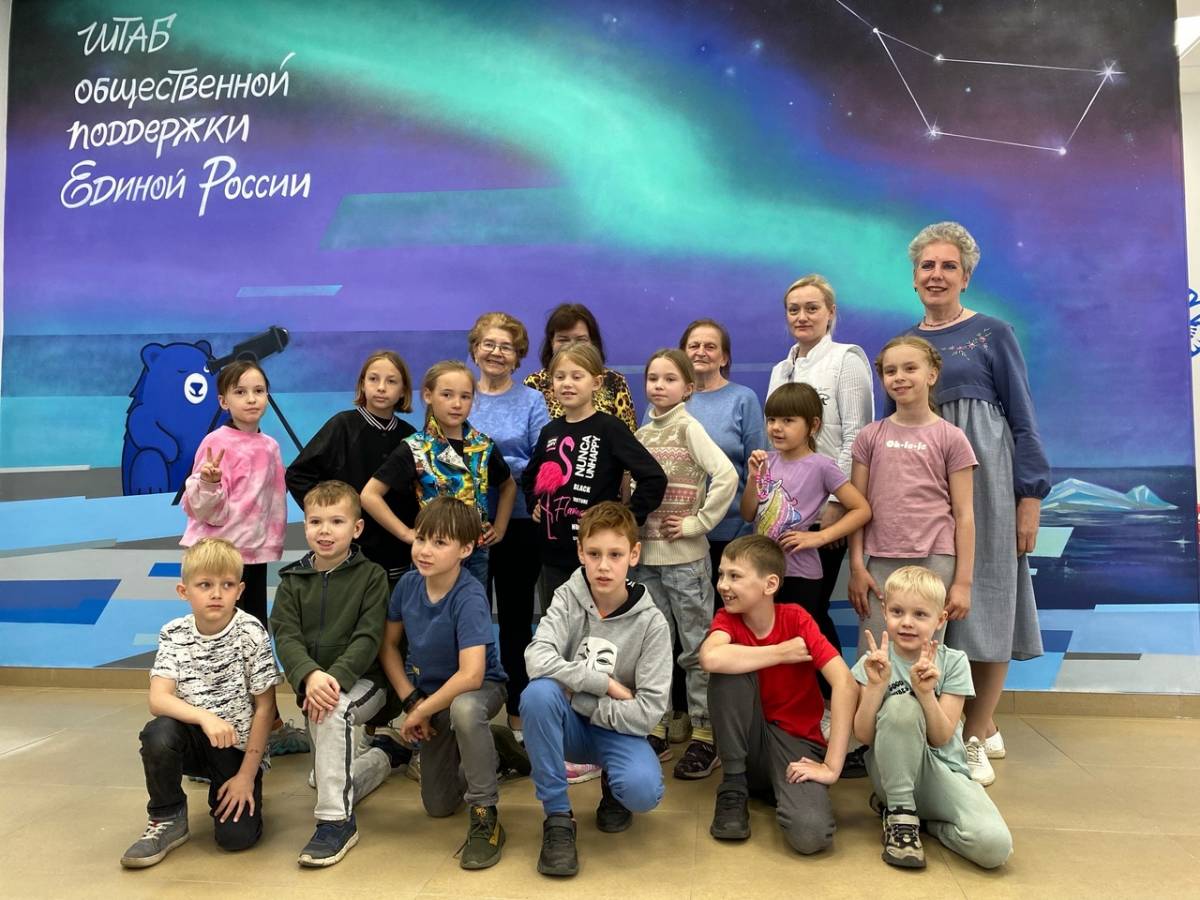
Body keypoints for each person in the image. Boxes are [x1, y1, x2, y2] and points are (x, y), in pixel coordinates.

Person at [892, 221, 1051, 785]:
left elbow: (1023, 417)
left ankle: (978, 730)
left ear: (966, 276)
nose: (936, 275)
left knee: (988, 592)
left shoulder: (992, 333)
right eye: (927, 266)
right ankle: (942, 722)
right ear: (914, 277)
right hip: (921, 482)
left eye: (948, 266)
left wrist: (1029, 498)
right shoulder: (904, 345)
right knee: (932, 594)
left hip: (986, 481)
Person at [521, 502, 672, 877]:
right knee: (538, 695)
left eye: (615, 555)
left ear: (634, 555)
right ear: (580, 553)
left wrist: (580, 698)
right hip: (570, 728)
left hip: (617, 729)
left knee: (643, 792)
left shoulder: (653, 623)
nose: (604, 566)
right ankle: (558, 817)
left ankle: (614, 786)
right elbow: (536, 658)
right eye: (594, 554)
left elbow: (648, 713)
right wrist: (603, 683)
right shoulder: (567, 597)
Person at [379, 496, 527, 870]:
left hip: (479, 690)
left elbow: (471, 675)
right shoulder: (407, 585)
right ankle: (494, 747)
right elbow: (388, 646)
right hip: (431, 697)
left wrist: (422, 711)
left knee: (465, 710)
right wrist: (412, 701)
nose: (425, 550)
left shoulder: (469, 594)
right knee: (439, 805)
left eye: (439, 542)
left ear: (465, 549)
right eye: (421, 538)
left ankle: (485, 813)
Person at [120, 538, 280, 868]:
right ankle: (167, 817)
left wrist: (246, 776)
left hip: (236, 748)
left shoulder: (251, 632)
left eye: (227, 585)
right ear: (184, 591)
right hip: (193, 740)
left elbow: (265, 708)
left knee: (237, 839)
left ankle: (232, 789)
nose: (216, 593)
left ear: (240, 590)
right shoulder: (174, 633)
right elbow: (158, 699)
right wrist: (206, 718)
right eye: (205, 585)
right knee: (158, 733)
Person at [699, 535, 858, 854]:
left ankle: (775, 787)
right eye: (721, 574)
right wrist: (780, 653)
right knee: (727, 669)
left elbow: (845, 684)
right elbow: (710, 658)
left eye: (735, 576)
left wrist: (832, 765)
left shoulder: (796, 619)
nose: (723, 585)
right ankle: (734, 784)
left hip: (795, 743)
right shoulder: (727, 620)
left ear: (770, 584)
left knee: (811, 835)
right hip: (748, 743)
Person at [269, 481, 398, 867]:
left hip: (366, 682)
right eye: (316, 522)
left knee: (333, 713)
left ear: (356, 529)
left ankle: (335, 822)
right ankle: (383, 757)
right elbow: (285, 636)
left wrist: (333, 679)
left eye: (336, 521)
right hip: (314, 684)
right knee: (326, 776)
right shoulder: (292, 581)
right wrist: (310, 676)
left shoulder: (372, 576)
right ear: (305, 526)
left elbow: (368, 637)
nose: (325, 531)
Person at [852, 566, 1012, 869]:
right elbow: (862, 735)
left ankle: (925, 823)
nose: (907, 622)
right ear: (884, 612)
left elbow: (940, 738)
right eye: (897, 611)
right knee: (901, 706)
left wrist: (926, 694)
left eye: (920, 614)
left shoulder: (954, 663)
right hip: (892, 776)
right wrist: (875, 687)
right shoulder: (872, 663)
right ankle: (901, 814)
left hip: (943, 772)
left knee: (995, 847)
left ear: (940, 619)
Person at [634, 349, 737, 777]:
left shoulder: (688, 427)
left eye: (670, 379)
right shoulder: (642, 433)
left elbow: (726, 474)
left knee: (696, 649)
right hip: (646, 560)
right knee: (654, 647)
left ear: (688, 389)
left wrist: (699, 522)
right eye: (653, 378)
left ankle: (706, 734)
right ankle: (656, 726)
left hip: (685, 562)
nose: (659, 385)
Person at [849, 336, 977, 660]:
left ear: (932, 374)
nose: (899, 377)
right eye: (890, 371)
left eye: (910, 368)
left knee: (923, 657)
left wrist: (962, 583)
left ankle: (925, 698)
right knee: (875, 656)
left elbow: (964, 515)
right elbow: (857, 508)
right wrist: (856, 567)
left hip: (936, 559)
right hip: (880, 563)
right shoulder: (869, 436)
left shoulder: (952, 438)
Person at [766, 275, 874, 636]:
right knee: (784, 611)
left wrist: (835, 502)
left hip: (826, 505)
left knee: (811, 611)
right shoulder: (781, 370)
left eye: (812, 308)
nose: (802, 316)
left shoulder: (846, 359)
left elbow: (856, 436)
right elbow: (776, 442)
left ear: (830, 313)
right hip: (785, 509)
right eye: (794, 309)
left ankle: (832, 674)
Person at [524, 342, 667, 607]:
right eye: (560, 377)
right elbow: (529, 476)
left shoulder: (610, 428)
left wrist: (626, 517)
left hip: (597, 557)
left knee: (600, 623)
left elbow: (654, 478)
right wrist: (534, 502)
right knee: (556, 622)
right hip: (553, 556)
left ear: (596, 382)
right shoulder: (549, 431)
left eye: (577, 376)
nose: (567, 383)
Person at [466, 312, 550, 737]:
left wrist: (500, 470)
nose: (497, 352)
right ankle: (470, 716)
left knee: (517, 622)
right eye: (489, 344)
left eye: (507, 347)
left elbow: (543, 460)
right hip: (466, 528)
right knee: (470, 622)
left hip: (518, 525)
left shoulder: (532, 401)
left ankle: (518, 714)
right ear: (475, 349)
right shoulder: (460, 393)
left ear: (518, 356)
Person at [361, 360, 516, 588]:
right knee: (430, 607)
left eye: (465, 396)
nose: (457, 404)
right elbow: (369, 495)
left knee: (472, 607)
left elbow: (508, 485)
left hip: (476, 553)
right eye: (446, 395)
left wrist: (500, 529)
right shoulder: (416, 447)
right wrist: (406, 533)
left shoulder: (483, 445)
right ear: (428, 395)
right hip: (432, 554)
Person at [741, 383, 870, 644]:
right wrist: (754, 478)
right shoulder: (766, 461)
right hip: (762, 570)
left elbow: (862, 510)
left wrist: (819, 537)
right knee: (767, 639)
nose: (777, 427)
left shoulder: (822, 466)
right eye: (772, 419)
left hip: (800, 574)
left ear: (813, 425)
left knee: (803, 641)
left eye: (788, 420)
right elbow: (747, 514)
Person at [286, 350, 418, 587]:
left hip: (396, 553)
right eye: (373, 379)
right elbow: (298, 475)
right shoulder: (343, 425)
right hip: (349, 553)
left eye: (391, 381)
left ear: (403, 391)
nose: (381, 387)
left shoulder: (410, 436)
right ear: (362, 384)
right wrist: (330, 516)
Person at [181, 360, 286, 629]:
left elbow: (275, 503)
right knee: (217, 625)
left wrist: (270, 544)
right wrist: (209, 482)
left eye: (259, 391)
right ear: (223, 401)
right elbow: (200, 508)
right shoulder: (216, 442)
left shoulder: (271, 447)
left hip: (254, 554)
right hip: (218, 554)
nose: (251, 399)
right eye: (240, 392)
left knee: (253, 625)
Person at [678, 318, 767, 584]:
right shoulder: (666, 400)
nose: (700, 352)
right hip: (678, 534)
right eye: (694, 346)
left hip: (731, 535)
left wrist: (748, 528)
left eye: (710, 346)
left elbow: (759, 470)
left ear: (724, 357)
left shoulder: (744, 399)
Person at [524, 303, 638, 429]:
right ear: (551, 342)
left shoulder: (614, 381)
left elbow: (629, 431)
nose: (571, 346)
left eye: (581, 340)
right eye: (563, 340)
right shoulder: (534, 383)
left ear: (592, 342)